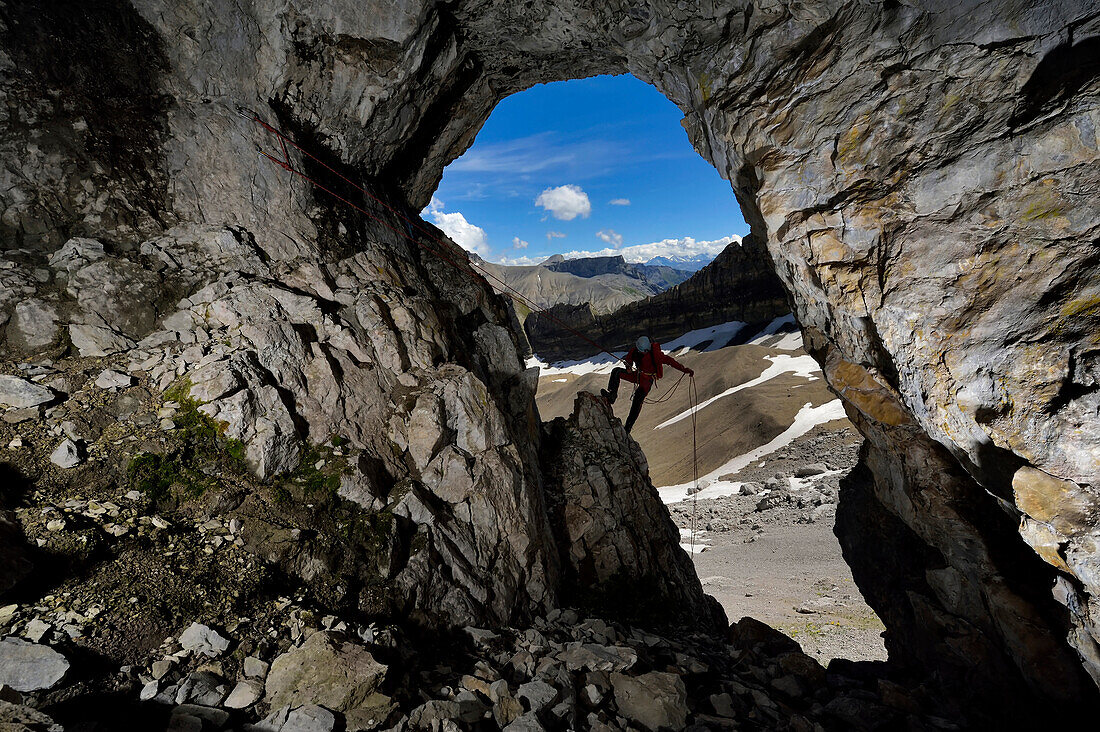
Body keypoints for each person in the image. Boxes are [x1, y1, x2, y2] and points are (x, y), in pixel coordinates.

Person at [601, 335, 693, 433]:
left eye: (642, 351)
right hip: (638, 375)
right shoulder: (636, 351)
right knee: (616, 371)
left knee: (637, 400)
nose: (641, 352)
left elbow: (671, 362)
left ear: (646, 350)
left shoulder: (655, 355)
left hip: (647, 381)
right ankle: (612, 396)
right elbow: (629, 358)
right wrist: (629, 366)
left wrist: (685, 370)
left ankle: (628, 427)